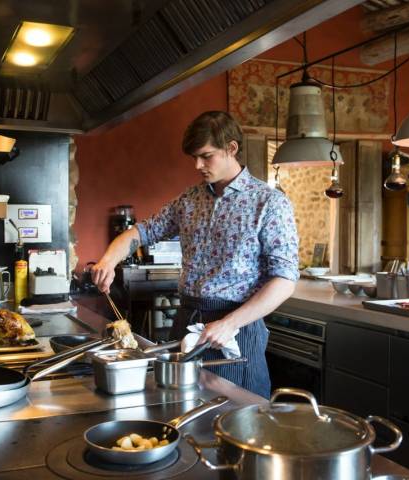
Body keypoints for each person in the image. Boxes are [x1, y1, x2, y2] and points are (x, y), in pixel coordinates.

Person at [91, 111, 299, 398]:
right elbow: (141, 231)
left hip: (236, 329)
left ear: (232, 148)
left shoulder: (270, 202)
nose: (198, 165)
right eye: (194, 158)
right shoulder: (190, 199)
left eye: (206, 156)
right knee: (181, 409)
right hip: (187, 321)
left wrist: (230, 324)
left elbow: (285, 280)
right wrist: (109, 260)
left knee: (238, 417)